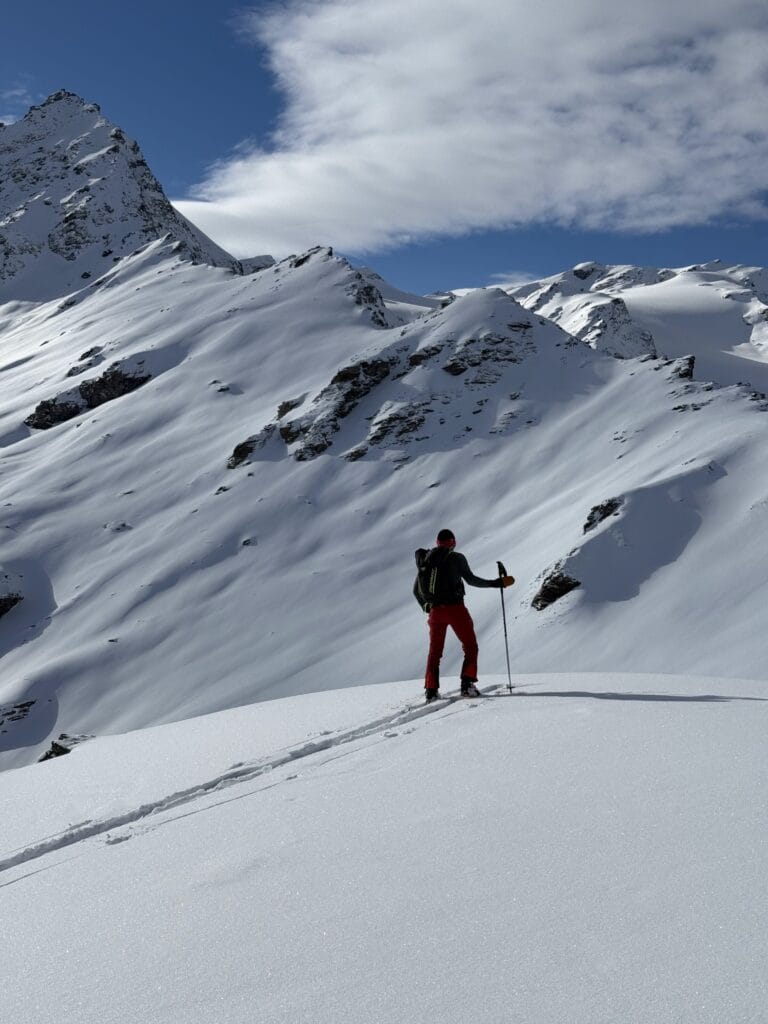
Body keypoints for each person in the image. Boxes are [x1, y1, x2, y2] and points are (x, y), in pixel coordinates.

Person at [413, 528, 514, 701]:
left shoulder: (426, 561)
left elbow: (416, 590)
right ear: (453, 542)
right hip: (456, 609)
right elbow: (471, 580)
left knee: (434, 652)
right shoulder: (456, 558)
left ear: (437, 542)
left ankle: (431, 690)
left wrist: (426, 607)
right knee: (470, 646)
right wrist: (495, 583)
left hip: (436, 612)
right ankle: (467, 685)